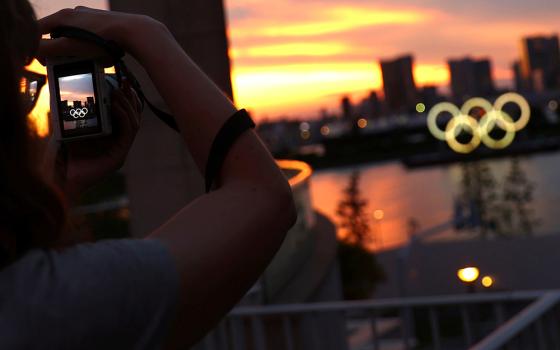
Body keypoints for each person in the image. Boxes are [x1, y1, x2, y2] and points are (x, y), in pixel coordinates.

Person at [0, 2, 297, 349]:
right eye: (20, 91)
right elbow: (264, 196)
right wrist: (145, 34)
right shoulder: (50, 305)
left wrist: (60, 185)